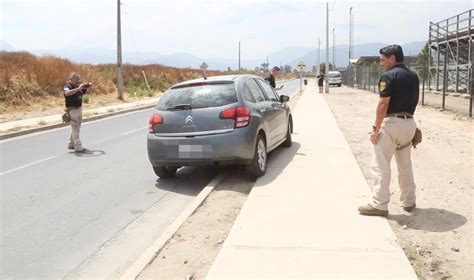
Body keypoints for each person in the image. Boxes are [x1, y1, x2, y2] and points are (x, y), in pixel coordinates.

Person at [358, 44, 419, 217]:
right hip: (410, 124)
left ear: (393, 58)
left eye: (382, 60)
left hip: (392, 124)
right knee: (405, 164)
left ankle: (379, 204)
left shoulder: (388, 76)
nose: (380, 63)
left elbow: (383, 103)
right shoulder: (413, 76)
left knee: (380, 165)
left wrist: (375, 129)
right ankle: (409, 201)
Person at [63, 72, 91, 153]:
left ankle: (71, 143)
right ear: (71, 79)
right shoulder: (67, 86)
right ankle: (78, 147)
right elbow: (67, 93)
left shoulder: (79, 86)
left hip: (79, 109)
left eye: (79, 78)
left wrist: (89, 87)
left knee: (77, 128)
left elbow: (87, 92)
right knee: (75, 128)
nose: (78, 80)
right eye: (76, 78)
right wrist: (78, 88)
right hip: (72, 110)